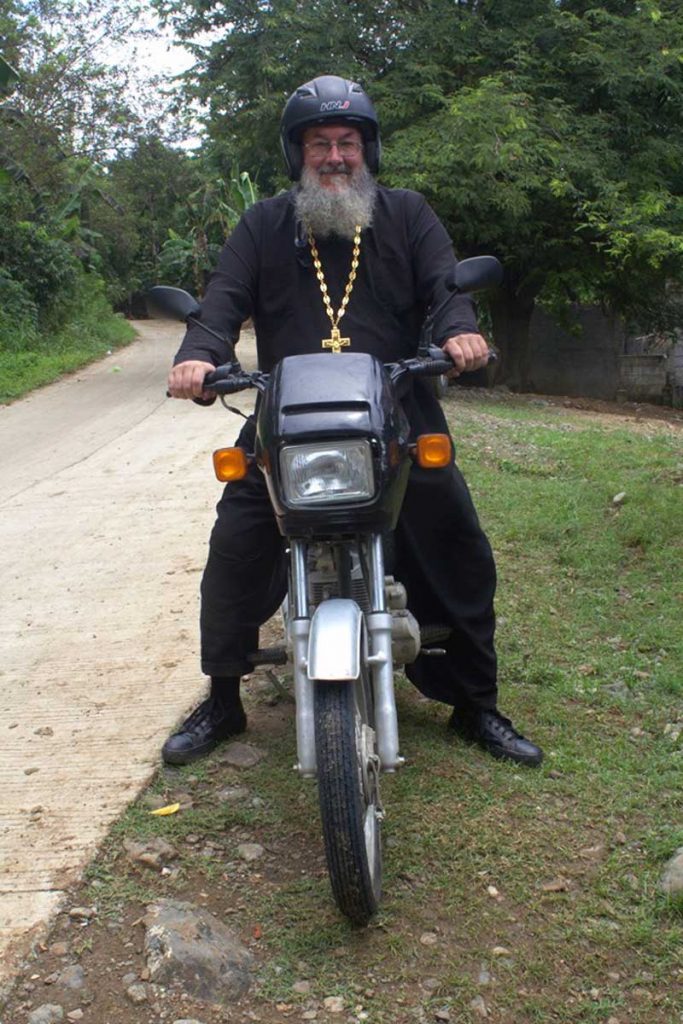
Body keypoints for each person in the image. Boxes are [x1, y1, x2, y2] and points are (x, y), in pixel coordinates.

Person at [164, 74, 543, 768]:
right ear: (297, 154)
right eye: (319, 144)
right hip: (287, 414)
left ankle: (474, 704)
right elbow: (221, 302)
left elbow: (444, 289)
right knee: (236, 539)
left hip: (396, 409)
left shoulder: (406, 215)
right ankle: (222, 698)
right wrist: (198, 356)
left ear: (366, 150)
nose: (334, 156)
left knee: (455, 536)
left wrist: (460, 335)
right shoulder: (264, 226)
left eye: (346, 142)